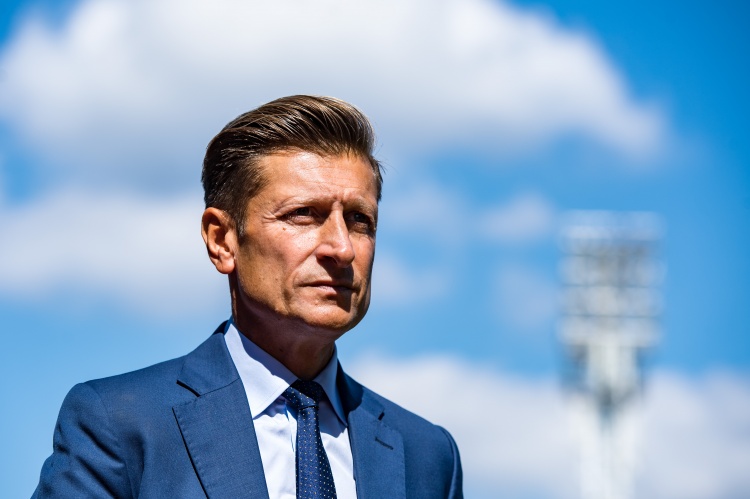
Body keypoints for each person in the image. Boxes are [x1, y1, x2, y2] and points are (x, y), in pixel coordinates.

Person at [33, 95, 463, 498]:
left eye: (359, 220)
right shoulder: (120, 424)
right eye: (303, 214)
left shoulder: (427, 454)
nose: (342, 247)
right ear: (222, 240)